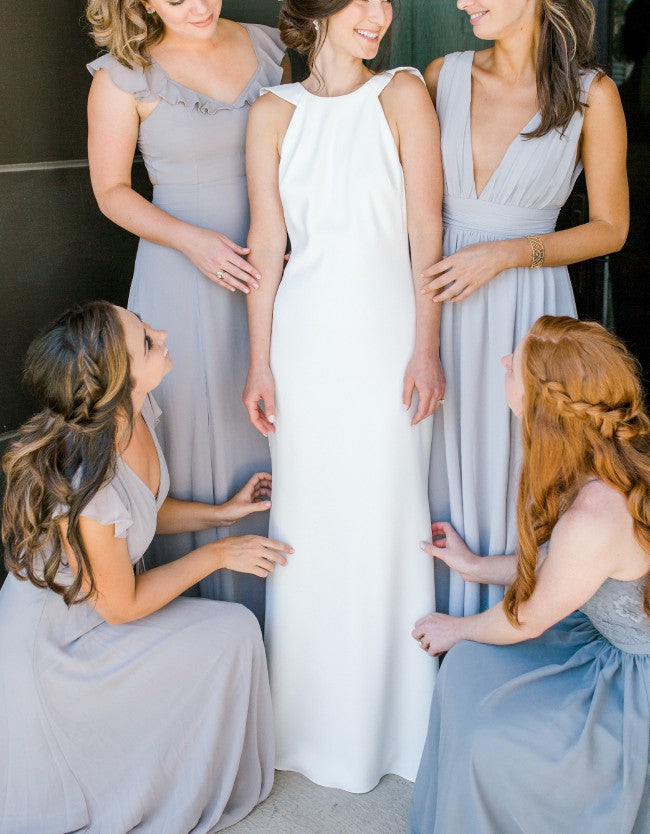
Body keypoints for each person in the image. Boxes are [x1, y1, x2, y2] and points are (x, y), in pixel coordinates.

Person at [242, 0, 444, 793]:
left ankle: (394, 726)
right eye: (361, 0)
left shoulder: (402, 92)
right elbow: (267, 243)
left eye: (384, 0)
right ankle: (304, 725)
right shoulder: (272, 111)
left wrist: (426, 344)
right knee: (311, 525)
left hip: (389, 338)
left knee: (384, 518)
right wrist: (259, 362)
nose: (380, 14)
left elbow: (425, 230)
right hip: (303, 346)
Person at [0, 301, 292, 833]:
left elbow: (144, 509)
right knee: (232, 631)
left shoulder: (134, 413)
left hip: (98, 614)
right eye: (147, 342)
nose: (162, 333)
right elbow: (122, 605)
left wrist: (222, 513)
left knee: (235, 634)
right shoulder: (90, 484)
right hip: (61, 648)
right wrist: (219, 553)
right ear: (118, 383)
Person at [422, 0, 629, 616]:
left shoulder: (593, 95)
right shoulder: (442, 76)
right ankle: (432, 624)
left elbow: (611, 228)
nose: (463, 3)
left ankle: (508, 622)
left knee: (520, 462)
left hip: (526, 306)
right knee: (432, 457)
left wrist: (507, 254)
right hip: (436, 300)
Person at [85, 0, 288, 618]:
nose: (198, 7)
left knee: (274, 424)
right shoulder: (120, 75)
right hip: (181, 274)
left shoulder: (270, 47)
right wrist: (192, 241)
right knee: (193, 430)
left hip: (272, 270)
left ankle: (287, 611)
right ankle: (207, 613)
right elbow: (110, 191)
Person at [410, 315, 650, 834]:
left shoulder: (594, 514)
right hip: (600, 636)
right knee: (470, 668)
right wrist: (475, 566)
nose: (503, 362)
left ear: (543, 408)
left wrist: (455, 627)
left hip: (634, 680)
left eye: (513, 366)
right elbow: (561, 568)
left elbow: (527, 619)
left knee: (488, 736)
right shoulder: (600, 461)